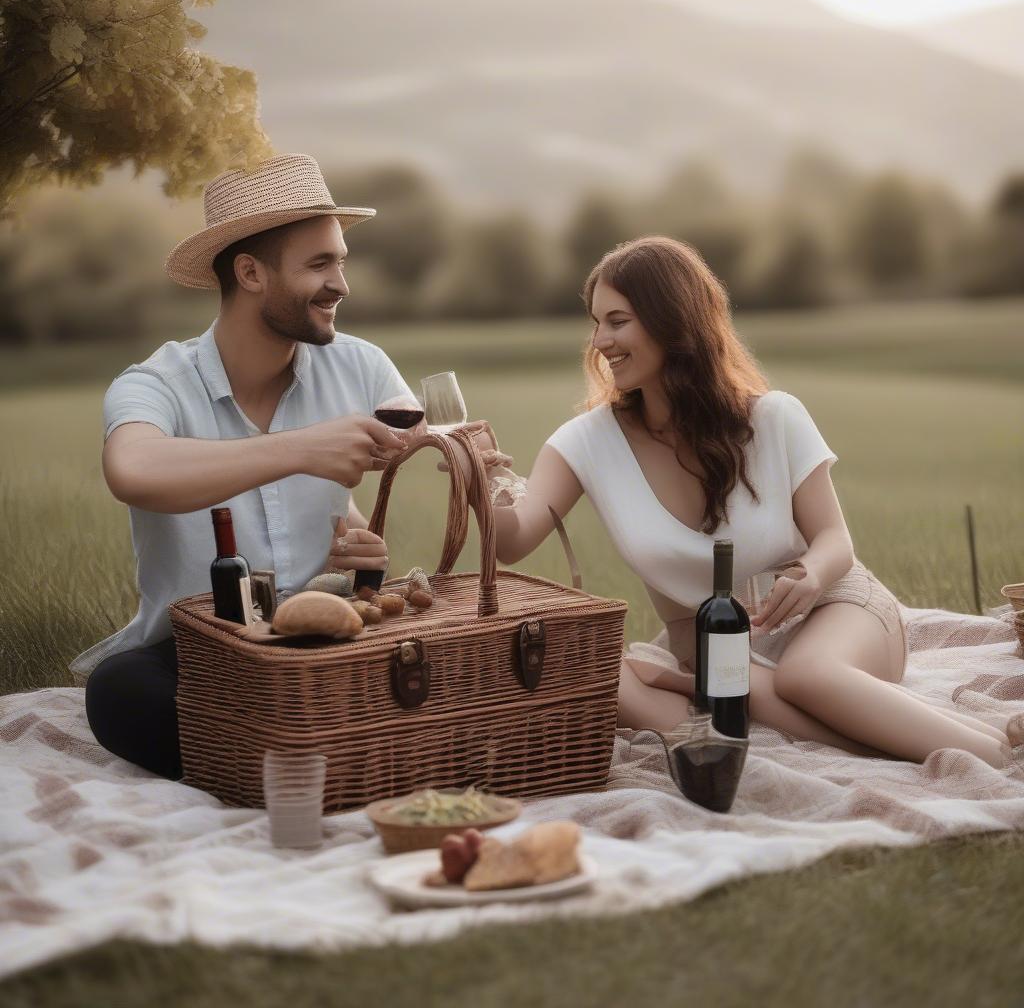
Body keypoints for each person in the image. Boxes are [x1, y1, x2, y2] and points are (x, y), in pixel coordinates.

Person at [461, 236, 1020, 768]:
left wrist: (810, 575)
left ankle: (993, 753)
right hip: (709, 655)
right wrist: (478, 477)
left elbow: (835, 541)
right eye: (596, 324)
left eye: (618, 321)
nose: (600, 342)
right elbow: (513, 541)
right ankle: (878, 735)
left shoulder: (774, 417)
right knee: (611, 675)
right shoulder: (586, 441)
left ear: (672, 319)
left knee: (808, 677)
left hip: (831, 612)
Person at [78, 154, 411, 779]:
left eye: (340, 260)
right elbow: (133, 468)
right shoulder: (156, 384)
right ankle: (329, 752)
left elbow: (431, 436)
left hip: (328, 641)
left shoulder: (362, 365)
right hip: (200, 658)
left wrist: (364, 541)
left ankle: (270, 755)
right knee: (118, 691)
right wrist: (303, 448)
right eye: (320, 264)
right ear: (251, 273)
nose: (342, 283)